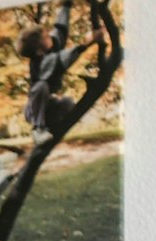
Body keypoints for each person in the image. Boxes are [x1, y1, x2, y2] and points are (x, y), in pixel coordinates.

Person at [17, 0, 106, 143]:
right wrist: (89, 41)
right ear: (39, 51)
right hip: (35, 111)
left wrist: (66, 5)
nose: (50, 36)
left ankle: (53, 128)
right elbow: (63, 59)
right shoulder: (41, 63)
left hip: (51, 107)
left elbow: (60, 28)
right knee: (40, 87)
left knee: (68, 103)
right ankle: (38, 129)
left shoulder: (51, 44)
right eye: (46, 37)